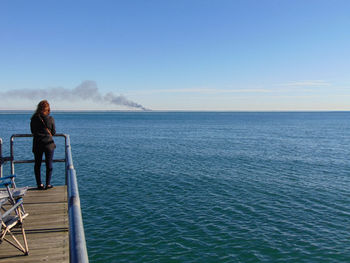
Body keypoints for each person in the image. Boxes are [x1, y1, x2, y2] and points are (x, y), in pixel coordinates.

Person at [30, 100, 56, 190]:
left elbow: (32, 131)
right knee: (49, 164)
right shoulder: (50, 119)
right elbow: (53, 132)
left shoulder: (34, 118)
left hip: (37, 144)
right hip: (48, 144)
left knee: (37, 164)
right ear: (48, 109)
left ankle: (39, 184)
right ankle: (48, 184)